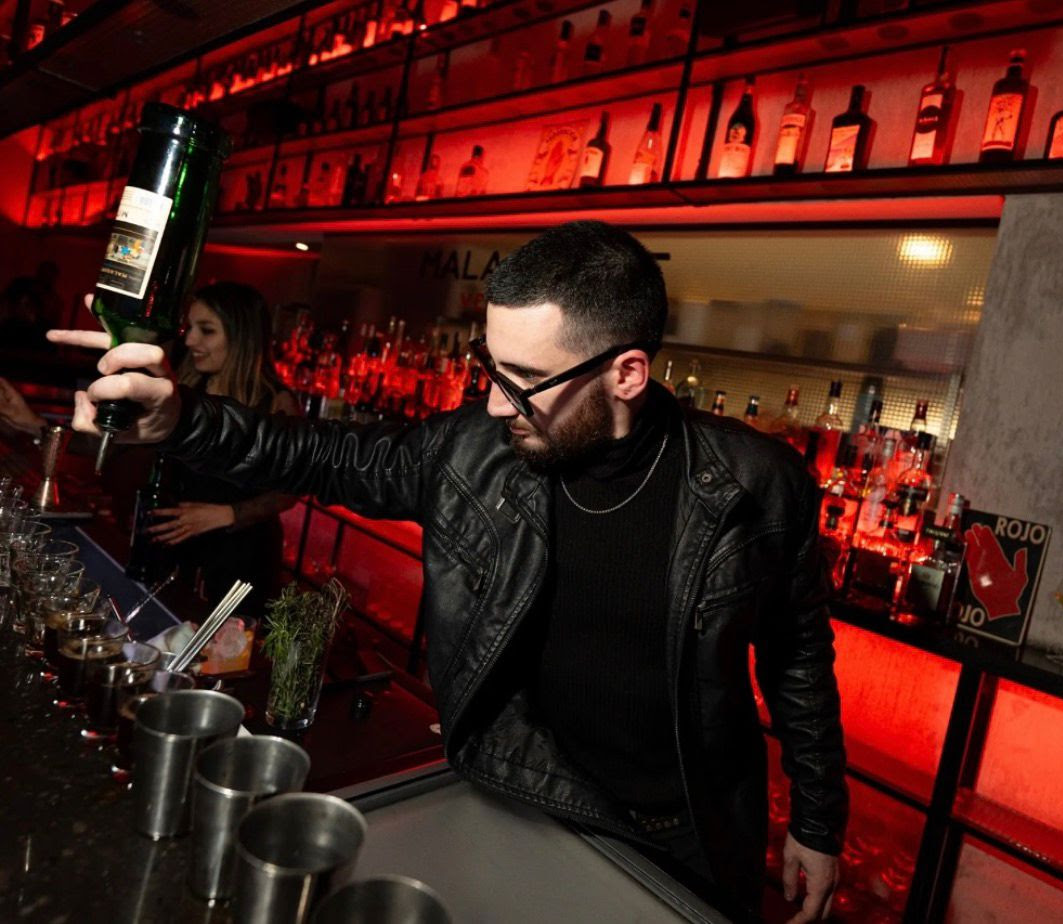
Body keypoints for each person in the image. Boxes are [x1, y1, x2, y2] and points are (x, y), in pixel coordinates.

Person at [51, 221, 847, 922]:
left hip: (689, 831)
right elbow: (326, 456)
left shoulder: (757, 485)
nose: (497, 404)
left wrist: (818, 821)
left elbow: (797, 654)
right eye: (489, 368)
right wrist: (182, 419)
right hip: (518, 792)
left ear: (627, 375)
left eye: (523, 381)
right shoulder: (476, 449)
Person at [147, 281, 300, 608]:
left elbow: (290, 490)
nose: (190, 340)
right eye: (190, 328)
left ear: (241, 336)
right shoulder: (187, 388)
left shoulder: (274, 403)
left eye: (207, 330)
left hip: (240, 555)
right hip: (180, 545)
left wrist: (228, 514)